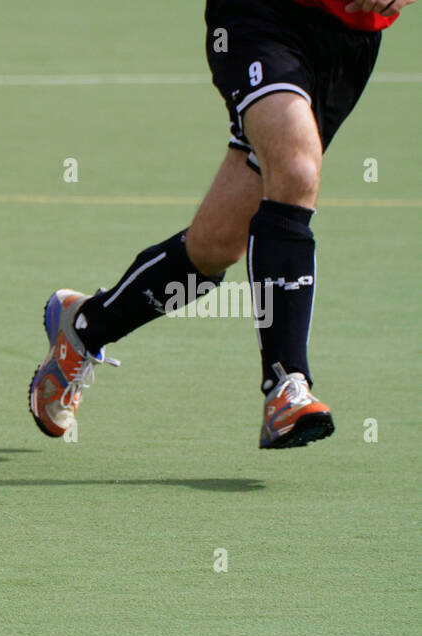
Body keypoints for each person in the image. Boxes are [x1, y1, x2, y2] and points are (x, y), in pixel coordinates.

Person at [29, 0, 407, 448]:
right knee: (296, 170)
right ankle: (286, 385)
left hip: (350, 39)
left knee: (217, 243)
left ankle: (86, 325)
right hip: (261, 18)